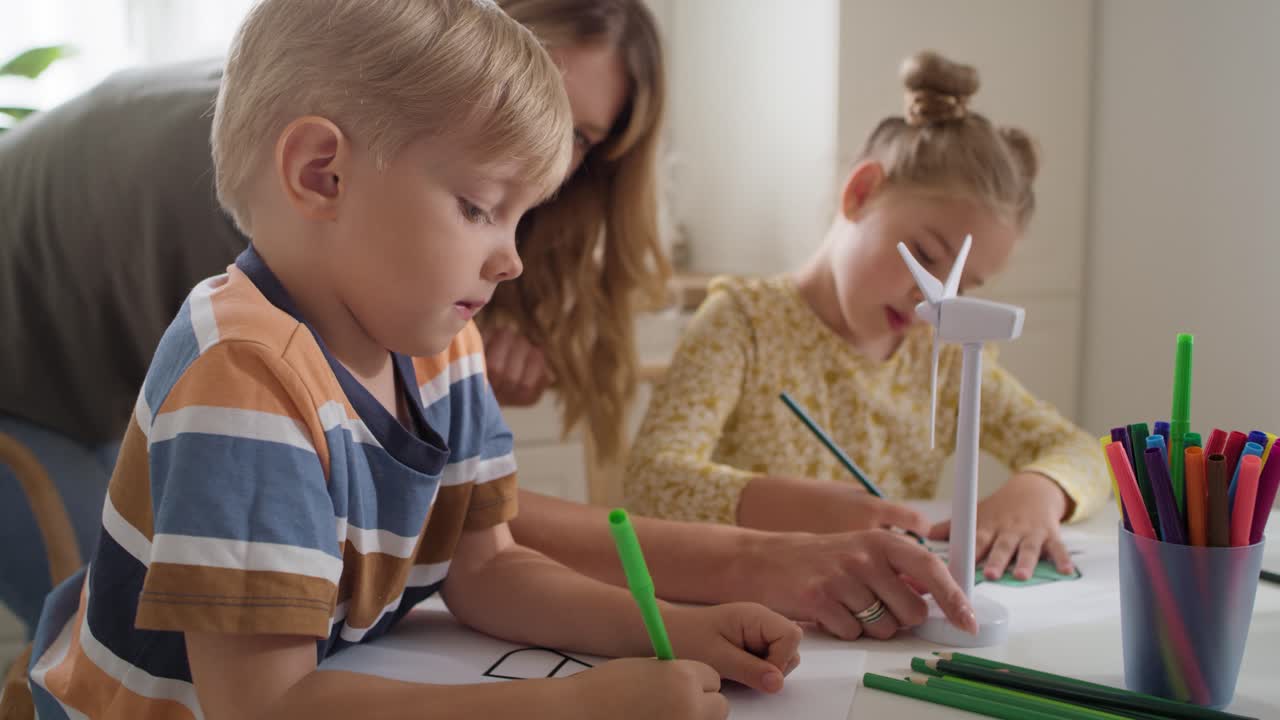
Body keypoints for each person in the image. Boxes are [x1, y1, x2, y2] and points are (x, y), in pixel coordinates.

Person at [0, 3, 973, 647]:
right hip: (27, 362)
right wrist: (736, 571)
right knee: (134, 605)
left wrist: (675, 620)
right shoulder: (259, 292)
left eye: (566, 147)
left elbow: (479, 553)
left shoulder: (408, 292)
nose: (513, 253)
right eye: (481, 199)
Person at [626, 51, 1110, 587]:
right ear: (860, 194)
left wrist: (1037, 492)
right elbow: (651, 481)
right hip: (753, 605)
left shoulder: (945, 353)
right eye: (926, 256)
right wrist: (798, 509)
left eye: (965, 287)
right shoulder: (743, 324)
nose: (935, 301)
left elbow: (1082, 452)